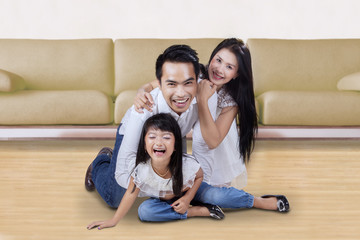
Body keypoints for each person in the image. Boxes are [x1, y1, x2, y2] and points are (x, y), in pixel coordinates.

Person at [133, 38, 290, 212]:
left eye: (229, 67)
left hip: (215, 147)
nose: (219, 69)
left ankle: (258, 201)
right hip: (177, 142)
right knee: (163, 198)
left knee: (210, 195)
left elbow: (213, 141)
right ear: (212, 56)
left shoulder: (231, 101)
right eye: (218, 60)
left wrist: (202, 100)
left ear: (237, 74)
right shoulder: (194, 73)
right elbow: (155, 84)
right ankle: (193, 209)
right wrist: (141, 92)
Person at [87, 114, 224, 230]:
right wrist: (114, 221)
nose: (159, 143)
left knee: (224, 198)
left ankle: (245, 200)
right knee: (115, 199)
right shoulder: (141, 168)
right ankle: (102, 159)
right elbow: (131, 192)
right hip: (131, 135)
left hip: (168, 160)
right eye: (153, 137)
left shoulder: (185, 163)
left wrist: (187, 198)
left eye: (166, 138)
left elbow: (199, 176)